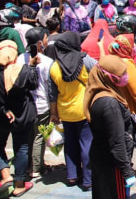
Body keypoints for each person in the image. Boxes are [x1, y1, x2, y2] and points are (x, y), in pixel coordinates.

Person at [0, 40, 39, 196]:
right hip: (22, 116)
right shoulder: (22, 70)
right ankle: (19, 184)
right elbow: (34, 83)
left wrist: (2, 109)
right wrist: (31, 66)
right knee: (22, 148)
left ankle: (5, 175)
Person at [48, 32, 98, 190]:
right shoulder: (84, 60)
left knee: (70, 145)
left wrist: (54, 114)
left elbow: (52, 94)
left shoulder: (54, 66)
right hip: (84, 111)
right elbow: (100, 70)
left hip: (65, 112)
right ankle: (88, 180)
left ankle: (72, 176)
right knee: (86, 144)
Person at [83, 54, 136, 199]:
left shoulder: (98, 92)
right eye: (121, 74)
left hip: (101, 157)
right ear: (108, 77)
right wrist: (127, 172)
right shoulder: (109, 104)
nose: (126, 76)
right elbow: (116, 141)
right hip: (112, 164)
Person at [103, 35, 136, 131]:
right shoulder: (127, 65)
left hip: (110, 108)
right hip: (126, 110)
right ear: (127, 47)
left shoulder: (107, 61)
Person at [24, 28, 53, 178]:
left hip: (25, 105)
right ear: (41, 42)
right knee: (39, 136)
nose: (48, 41)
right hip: (41, 105)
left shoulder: (20, 58)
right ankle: (36, 168)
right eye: (46, 38)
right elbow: (50, 86)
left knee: (28, 135)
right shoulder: (47, 62)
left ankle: (28, 165)